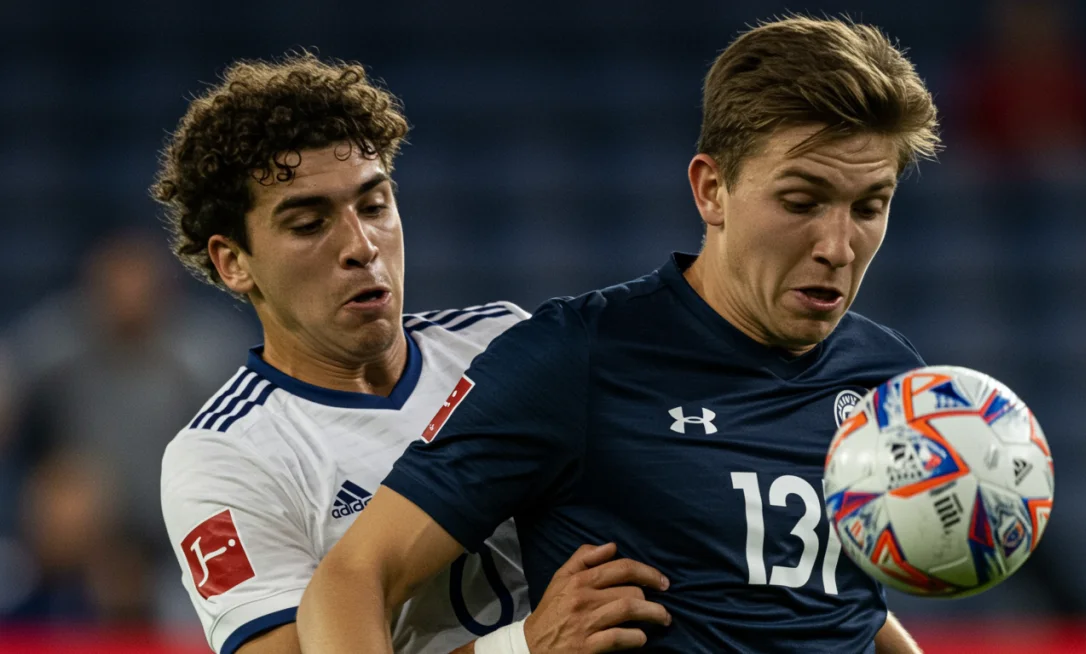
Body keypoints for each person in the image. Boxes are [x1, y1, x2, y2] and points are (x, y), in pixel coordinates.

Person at [299, 15, 937, 653]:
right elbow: (353, 578)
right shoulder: (576, 358)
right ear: (712, 190)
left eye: (869, 207)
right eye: (801, 202)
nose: (837, 246)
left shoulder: (887, 377)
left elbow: (844, 605)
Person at [156, 54, 668, 654]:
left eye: (374, 206)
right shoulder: (224, 456)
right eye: (308, 223)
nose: (361, 245)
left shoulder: (504, 340)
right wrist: (524, 647)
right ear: (234, 262)